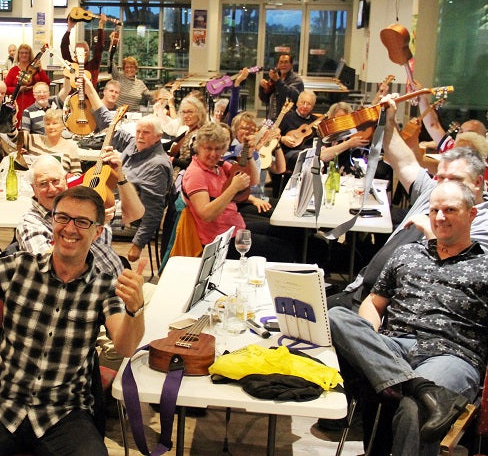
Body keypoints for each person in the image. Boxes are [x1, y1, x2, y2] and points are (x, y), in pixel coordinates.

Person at [0, 185, 145, 455]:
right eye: (63, 218)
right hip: (3, 403)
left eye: (82, 222)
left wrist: (135, 309)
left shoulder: (104, 285)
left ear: (98, 231)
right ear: (52, 220)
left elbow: (125, 346)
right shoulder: (20, 267)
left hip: (63, 412)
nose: (70, 228)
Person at [328, 180, 488, 456]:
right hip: (393, 346)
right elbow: (374, 304)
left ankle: (420, 392)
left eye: (450, 210)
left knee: (415, 409)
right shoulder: (407, 253)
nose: (440, 217)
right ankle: (422, 388)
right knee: (336, 316)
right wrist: (371, 345)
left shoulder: (484, 266)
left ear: (472, 214)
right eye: (435, 210)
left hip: (450, 355)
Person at [329, 102, 488, 311]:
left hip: (398, 312)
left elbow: (455, 277)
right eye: (441, 178)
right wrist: (389, 120)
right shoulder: (432, 191)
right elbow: (404, 162)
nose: (446, 185)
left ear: (478, 182)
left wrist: (431, 232)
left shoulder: (482, 221)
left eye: (455, 179)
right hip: (361, 293)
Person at [182, 122, 295, 261]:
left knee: (289, 231)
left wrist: (248, 156)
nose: (213, 154)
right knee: (286, 251)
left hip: (235, 227)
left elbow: (252, 180)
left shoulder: (219, 165)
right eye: (208, 148)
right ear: (198, 148)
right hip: (220, 241)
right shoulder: (196, 174)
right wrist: (233, 188)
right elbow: (206, 214)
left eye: (218, 149)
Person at [16, 154, 143, 277]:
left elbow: (135, 213)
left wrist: (120, 176)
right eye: (43, 184)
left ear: (65, 181)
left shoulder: (85, 203)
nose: (52, 189)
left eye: (56, 181)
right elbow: (46, 264)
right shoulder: (30, 223)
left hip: (119, 283)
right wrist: (91, 224)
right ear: (34, 189)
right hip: (87, 294)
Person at [92, 90, 172, 263]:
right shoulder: (133, 145)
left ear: (158, 137)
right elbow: (109, 125)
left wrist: (138, 244)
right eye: (138, 132)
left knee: (87, 220)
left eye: (146, 133)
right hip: (113, 205)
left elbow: (153, 210)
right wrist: (90, 89)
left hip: (131, 218)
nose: (140, 136)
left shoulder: (157, 164)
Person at [23, 109, 82, 174]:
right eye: (47, 124)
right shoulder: (33, 139)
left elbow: (77, 174)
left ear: (63, 126)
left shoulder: (70, 147)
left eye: (55, 123)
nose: (51, 127)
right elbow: (12, 136)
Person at [5, 43, 50, 128]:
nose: (24, 55)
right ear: (18, 55)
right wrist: (19, 89)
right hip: (19, 104)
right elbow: (5, 89)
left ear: (30, 55)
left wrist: (40, 69)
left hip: (36, 102)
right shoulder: (13, 70)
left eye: (26, 53)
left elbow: (47, 83)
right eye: (21, 53)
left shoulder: (36, 69)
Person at [60, 13, 107, 88]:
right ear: (75, 53)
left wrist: (101, 26)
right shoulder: (71, 66)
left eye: (85, 50)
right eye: (79, 50)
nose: (82, 53)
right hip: (72, 98)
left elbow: (99, 47)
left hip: (89, 98)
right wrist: (69, 28)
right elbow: (64, 47)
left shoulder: (94, 65)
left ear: (89, 52)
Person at [107, 39, 153, 109]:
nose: (129, 69)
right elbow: (110, 60)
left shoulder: (140, 84)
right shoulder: (118, 77)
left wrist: (161, 96)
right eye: (127, 67)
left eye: (132, 67)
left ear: (136, 69)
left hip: (134, 115)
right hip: (118, 113)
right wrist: (112, 44)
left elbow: (151, 97)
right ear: (123, 69)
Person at [166, 94, 207, 170]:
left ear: (199, 113)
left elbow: (192, 163)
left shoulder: (198, 136)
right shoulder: (188, 131)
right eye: (184, 112)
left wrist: (171, 159)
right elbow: (168, 145)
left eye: (190, 112)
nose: (185, 116)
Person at [259, 53, 304, 121]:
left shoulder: (296, 80)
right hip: (271, 119)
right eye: (281, 62)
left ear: (291, 65)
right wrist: (263, 88)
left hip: (288, 120)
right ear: (277, 65)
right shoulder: (274, 78)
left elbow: (291, 96)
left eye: (286, 62)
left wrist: (278, 81)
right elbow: (264, 99)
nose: (283, 65)